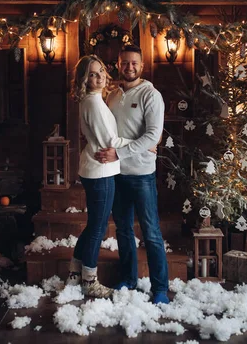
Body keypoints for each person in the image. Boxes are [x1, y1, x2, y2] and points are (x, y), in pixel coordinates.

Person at [95, 45, 169, 305]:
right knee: (124, 231)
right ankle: (129, 278)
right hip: (116, 174)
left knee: (151, 232)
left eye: (134, 63)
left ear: (142, 65)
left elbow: (153, 135)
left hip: (142, 175)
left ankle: (160, 289)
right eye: (125, 63)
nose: (129, 67)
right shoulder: (112, 95)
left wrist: (120, 152)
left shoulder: (151, 94)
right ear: (118, 64)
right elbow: (108, 131)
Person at [66, 54, 131, 298]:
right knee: (97, 228)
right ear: (84, 79)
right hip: (101, 171)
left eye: (101, 70)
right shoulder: (93, 103)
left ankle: (74, 275)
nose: (99, 76)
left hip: (96, 168)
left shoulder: (93, 100)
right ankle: (89, 282)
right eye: (92, 74)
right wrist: (140, 143)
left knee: (94, 225)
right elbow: (110, 142)